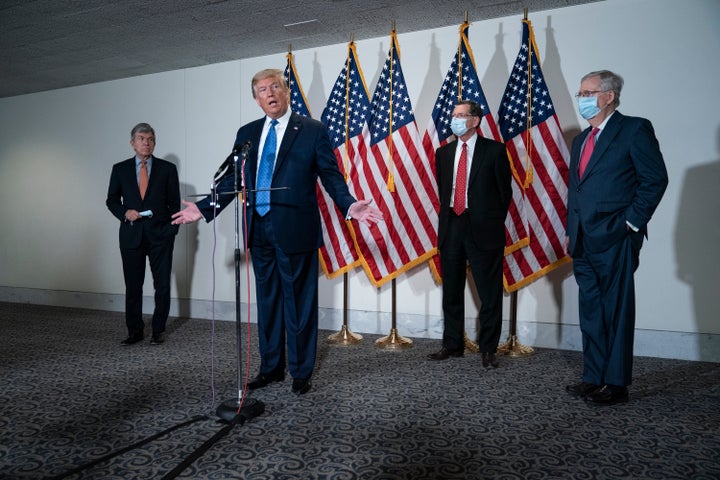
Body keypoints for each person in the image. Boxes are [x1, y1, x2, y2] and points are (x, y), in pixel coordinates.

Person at [171, 68, 382, 395]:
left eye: (274, 87)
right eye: (261, 90)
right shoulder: (247, 133)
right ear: (256, 99)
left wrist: (349, 205)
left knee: (299, 305)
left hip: (296, 229)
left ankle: (300, 371)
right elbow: (233, 180)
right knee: (268, 304)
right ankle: (271, 368)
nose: (269, 94)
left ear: (286, 92)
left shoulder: (312, 130)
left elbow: (330, 175)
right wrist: (203, 208)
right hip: (260, 229)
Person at [565, 70, 668, 405]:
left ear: (609, 96)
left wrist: (630, 224)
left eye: (588, 92)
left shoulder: (634, 129)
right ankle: (593, 378)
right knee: (591, 311)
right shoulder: (581, 140)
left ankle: (617, 383)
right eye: (580, 92)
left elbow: (654, 180)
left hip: (615, 238)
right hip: (582, 239)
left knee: (616, 310)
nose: (581, 98)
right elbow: (577, 191)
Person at [428, 100, 512, 368]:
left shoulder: (495, 151)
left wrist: (490, 220)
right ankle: (452, 344)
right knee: (451, 290)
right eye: (454, 115)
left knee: (489, 293)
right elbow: (445, 192)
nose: (455, 119)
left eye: (461, 115)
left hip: (484, 229)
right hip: (452, 226)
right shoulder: (444, 153)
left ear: (475, 120)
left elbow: (504, 194)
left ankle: (488, 348)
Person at [106, 123, 180, 346]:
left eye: (150, 138)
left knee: (163, 285)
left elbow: (174, 203)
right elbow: (111, 200)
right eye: (141, 138)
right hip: (131, 236)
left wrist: (171, 231)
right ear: (132, 143)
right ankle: (135, 331)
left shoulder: (167, 169)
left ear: (154, 142)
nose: (146, 142)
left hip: (160, 236)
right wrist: (124, 212)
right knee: (133, 286)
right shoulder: (120, 169)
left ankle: (158, 330)